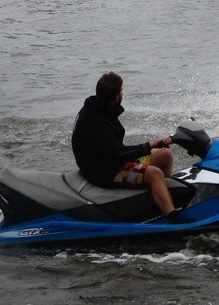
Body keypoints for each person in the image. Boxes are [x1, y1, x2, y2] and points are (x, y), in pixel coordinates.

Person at [71, 72, 181, 221]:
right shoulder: (94, 121)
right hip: (104, 172)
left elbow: (114, 151)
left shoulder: (100, 108)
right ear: (116, 97)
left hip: (111, 161)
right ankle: (173, 217)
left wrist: (151, 148)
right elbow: (118, 153)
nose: (123, 93)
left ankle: (161, 197)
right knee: (155, 174)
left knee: (165, 155)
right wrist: (149, 146)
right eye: (121, 90)